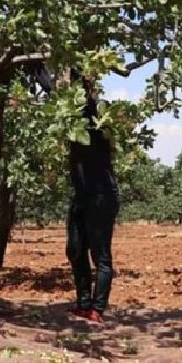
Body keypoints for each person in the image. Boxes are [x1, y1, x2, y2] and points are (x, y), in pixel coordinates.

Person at [63, 74, 118, 323]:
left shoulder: (95, 124)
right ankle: (84, 303)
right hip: (82, 195)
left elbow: (85, 104)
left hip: (101, 196)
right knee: (74, 250)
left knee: (101, 256)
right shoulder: (74, 122)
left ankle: (97, 308)